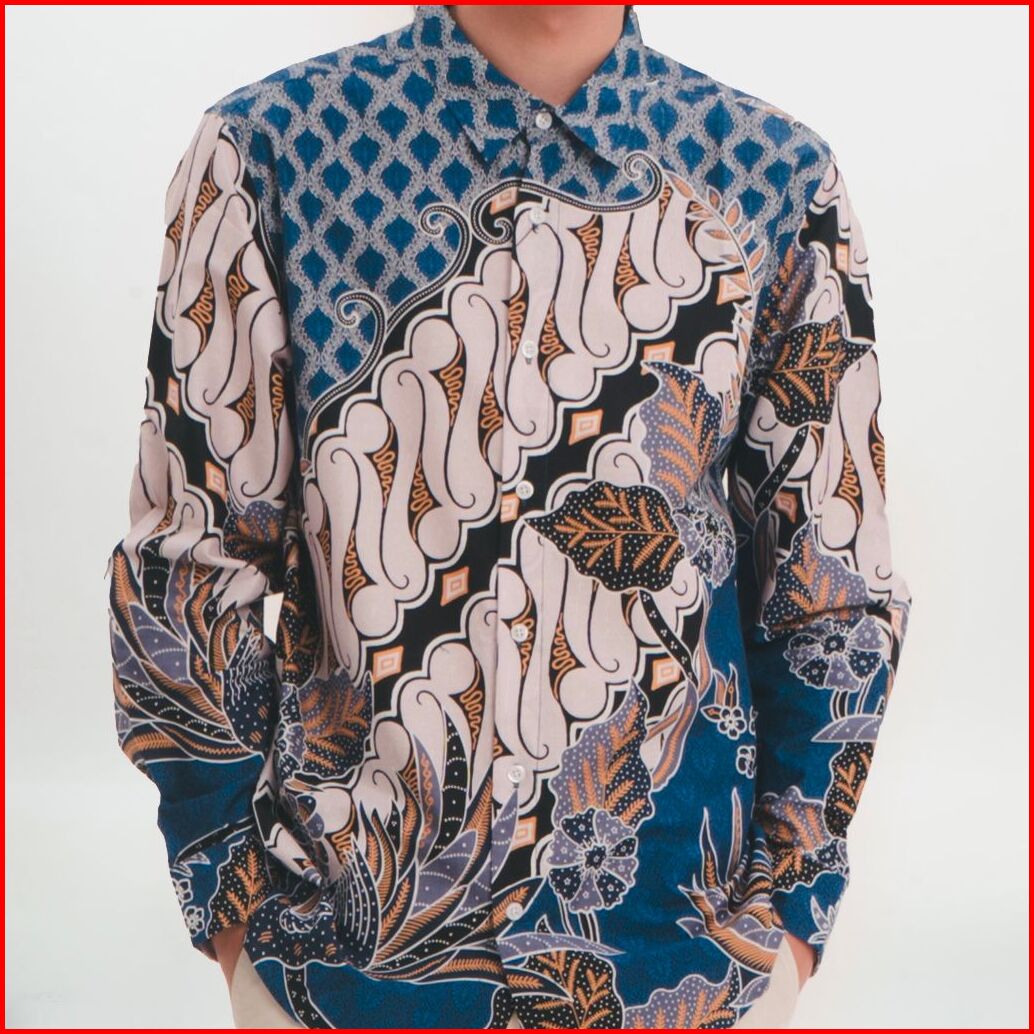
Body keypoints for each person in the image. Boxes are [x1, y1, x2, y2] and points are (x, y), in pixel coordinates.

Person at [105, 4, 912, 1028]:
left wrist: (787, 931)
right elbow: (186, 571)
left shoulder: (774, 178)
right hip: (338, 978)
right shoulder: (268, 155)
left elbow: (830, 585)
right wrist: (237, 933)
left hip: (692, 977)